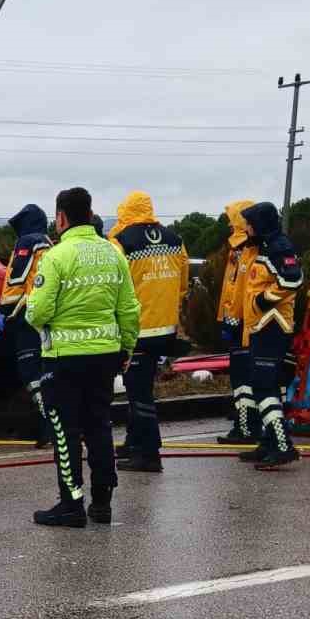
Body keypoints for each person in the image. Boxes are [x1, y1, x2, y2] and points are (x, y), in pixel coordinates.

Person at [26, 186, 140, 528]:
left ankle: (71, 504)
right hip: (105, 355)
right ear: (90, 215)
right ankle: (102, 504)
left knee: (65, 430)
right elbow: (129, 309)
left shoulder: (56, 257)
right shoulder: (113, 253)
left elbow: (39, 311)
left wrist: (32, 310)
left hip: (63, 359)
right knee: (99, 426)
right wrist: (127, 348)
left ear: (60, 217)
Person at [109, 191, 189, 474]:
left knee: (138, 392)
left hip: (137, 329)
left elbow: (115, 286)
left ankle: (150, 453)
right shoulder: (174, 239)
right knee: (140, 387)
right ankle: (133, 442)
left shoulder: (121, 242)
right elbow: (183, 283)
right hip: (166, 328)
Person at [236, 201, 303, 470]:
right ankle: (269, 442)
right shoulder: (263, 246)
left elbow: (292, 279)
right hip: (260, 326)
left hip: (272, 325)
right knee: (261, 385)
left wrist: (263, 302)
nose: (247, 228)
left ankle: (282, 445)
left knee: (265, 386)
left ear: (261, 224)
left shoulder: (280, 247)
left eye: (250, 223)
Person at [0, 202, 52, 447]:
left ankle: (47, 426)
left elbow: (16, 281)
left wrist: (2, 315)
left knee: (31, 374)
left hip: (26, 315)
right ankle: (55, 424)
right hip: (46, 316)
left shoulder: (27, 243)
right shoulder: (48, 243)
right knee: (46, 372)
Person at [215, 199, 258, 444]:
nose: (230, 228)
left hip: (244, 323)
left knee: (243, 381)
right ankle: (245, 423)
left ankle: (246, 427)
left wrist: (231, 321)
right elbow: (230, 289)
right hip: (239, 321)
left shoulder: (247, 249)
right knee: (242, 380)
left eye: (233, 222)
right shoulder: (240, 247)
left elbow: (240, 290)